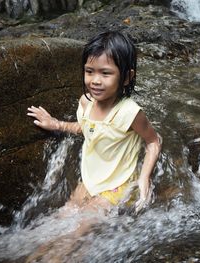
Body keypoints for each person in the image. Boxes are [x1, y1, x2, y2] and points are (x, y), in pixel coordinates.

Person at [27, 31, 161, 214]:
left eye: (106, 73)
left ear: (127, 77)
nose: (95, 81)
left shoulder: (129, 113)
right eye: (90, 71)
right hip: (91, 179)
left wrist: (144, 178)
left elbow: (153, 141)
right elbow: (87, 129)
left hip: (118, 184)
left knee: (80, 230)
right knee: (63, 216)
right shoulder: (86, 103)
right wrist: (57, 124)